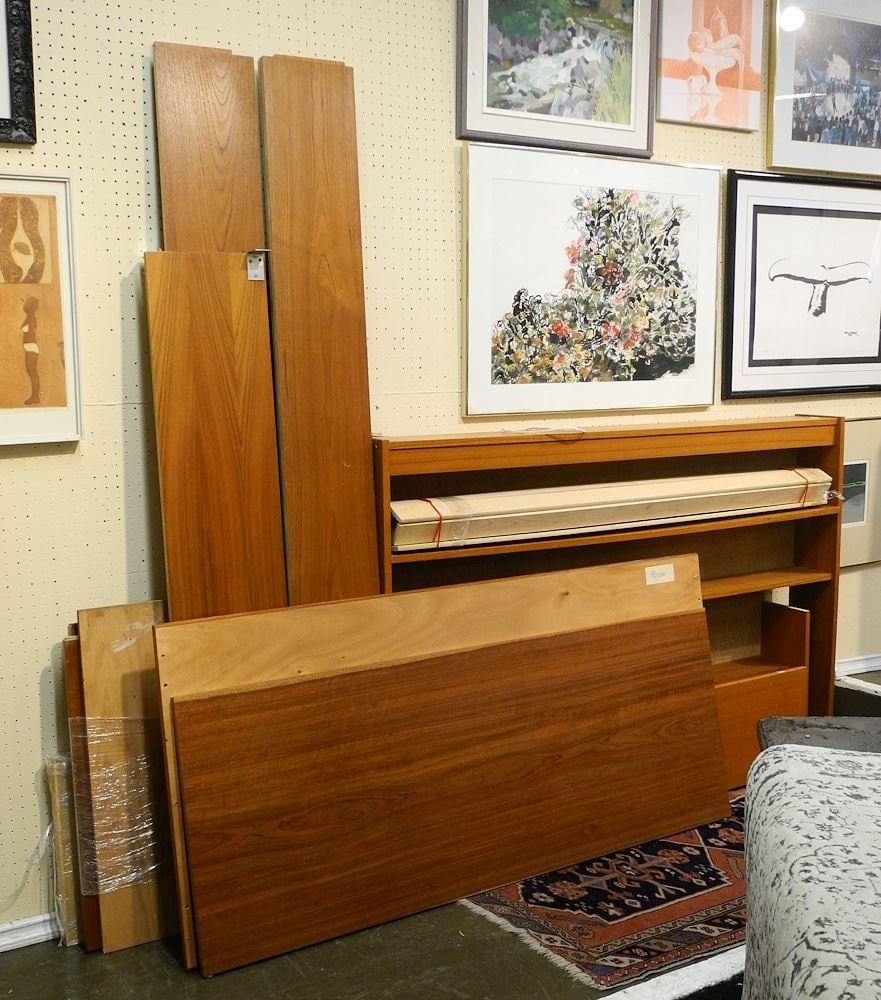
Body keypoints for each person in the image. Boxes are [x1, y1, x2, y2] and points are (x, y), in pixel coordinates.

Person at [21, 295, 40, 405]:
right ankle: (35, 396)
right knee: (32, 373)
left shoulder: (31, 317)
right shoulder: (29, 316)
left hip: (31, 348)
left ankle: (35, 397)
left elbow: (28, 330)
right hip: (30, 348)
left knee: (33, 374)